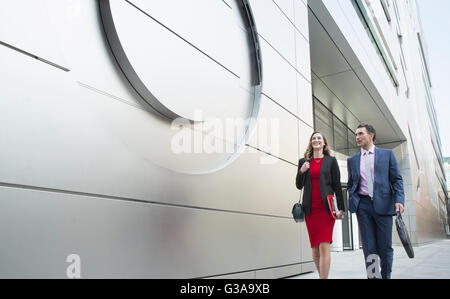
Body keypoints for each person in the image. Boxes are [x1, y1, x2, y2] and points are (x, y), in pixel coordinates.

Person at [347, 124, 405, 279]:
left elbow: (397, 179)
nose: (357, 137)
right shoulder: (352, 160)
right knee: (369, 248)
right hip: (363, 207)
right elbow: (351, 183)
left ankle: (385, 276)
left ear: (371, 135)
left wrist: (399, 200)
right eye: (356, 134)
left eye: (360, 134)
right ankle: (373, 277)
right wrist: (354, 199)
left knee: (385, 248)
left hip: (384, 205)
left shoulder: (387, 155)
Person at [296, 131, 345, 279]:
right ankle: (323, 276)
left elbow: (337, 185)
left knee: (324, 245)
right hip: (310, 210)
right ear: (311, 142)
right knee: (315, 248)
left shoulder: (331, 161)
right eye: (314, 138)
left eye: (319, 138)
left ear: (324, 143)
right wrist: (302, 171)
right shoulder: (303, 162)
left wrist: (341, 208)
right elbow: (299, 185)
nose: (316, 140)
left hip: (326, 209)